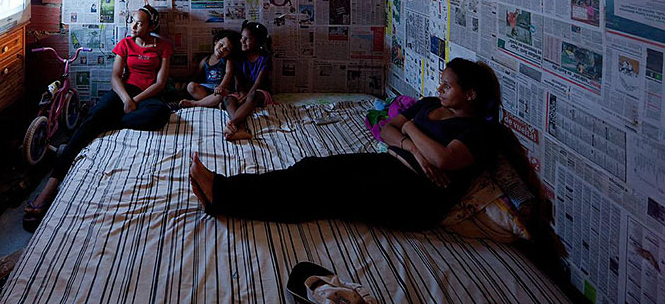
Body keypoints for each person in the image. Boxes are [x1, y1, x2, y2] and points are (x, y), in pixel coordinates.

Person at [190, 58, 502, 230]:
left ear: (471, 94)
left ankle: (222, 194)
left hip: (414, 196)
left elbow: (444, 160)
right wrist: (412, 146)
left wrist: (407, 130)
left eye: (448, 85)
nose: (440, 88)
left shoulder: (478, 130)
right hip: (391, 164)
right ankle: (222, 192)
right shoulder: (431, 103)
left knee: (324, 193)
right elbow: (386, 129)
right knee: (312, 168)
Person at [24, 5, 172, 229]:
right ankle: (46, 192)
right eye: (132, 20)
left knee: (161, 114)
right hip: (123, 92)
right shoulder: (125, 44)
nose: (133, 25)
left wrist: (137, 101)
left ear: (151, 26)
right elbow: (115, 76)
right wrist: (126, 100)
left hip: (147, 96)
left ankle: (110, 124)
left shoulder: (162, 47)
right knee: (86, 126)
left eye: (139, 23)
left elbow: (160, 83)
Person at [221, 21, 272, 142]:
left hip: (259, 93)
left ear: (258, 42)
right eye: (242, 37)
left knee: (253, 95)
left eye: (247, 39)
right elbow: (237, 79)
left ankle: (232, 123)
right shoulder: (238, 56)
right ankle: (241, 129)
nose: (242, 41)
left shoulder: (264, 58)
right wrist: (241, 92)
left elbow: (258, 83)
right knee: (228, 99)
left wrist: (247, 96)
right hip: (243, 92)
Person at [180, 30, 239, 108]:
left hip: (220, 89)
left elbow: (229, 73)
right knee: (191, 86)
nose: (222, 50)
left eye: (226, 50)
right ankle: (211, 102)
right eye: (221, 45)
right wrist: (185, 83)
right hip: (206, 89)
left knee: (221, 96)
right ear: (216, 41)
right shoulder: (205, 60)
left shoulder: (227, 60)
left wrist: (221, 86)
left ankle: (195, 104)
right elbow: (196, 74)